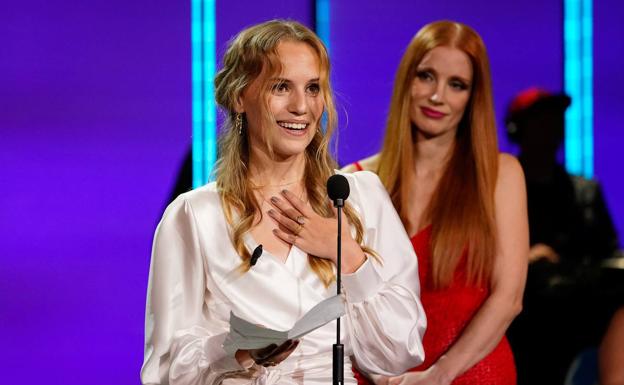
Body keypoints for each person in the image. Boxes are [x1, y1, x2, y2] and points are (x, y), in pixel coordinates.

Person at [140, 20, 426, 385]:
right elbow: (164, 372)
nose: (300, 107)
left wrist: (349, 255)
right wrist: (236, 350)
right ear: (239, 97)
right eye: (281, 87)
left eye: (312, 88)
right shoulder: (195, 215)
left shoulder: (357, 197)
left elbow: (399, 353)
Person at [344, 20, 528, 385]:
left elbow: (508, 299)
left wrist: (439, 376)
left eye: (456, 85)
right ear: (406, 81)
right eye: (426, 76)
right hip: (377, 378)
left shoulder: (500, 175)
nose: (437, 96)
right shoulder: (354, 181)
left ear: (472, 98)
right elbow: (347, 304)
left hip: (471, 372)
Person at [503, 87, 621, 385]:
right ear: (519, 129)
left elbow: (608, 256)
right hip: (519, 324)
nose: (551, 127)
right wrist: (526, 258)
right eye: (541, 119)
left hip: (577, 323)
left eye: (555, 119)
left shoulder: (585, 190)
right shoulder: (499, 191)